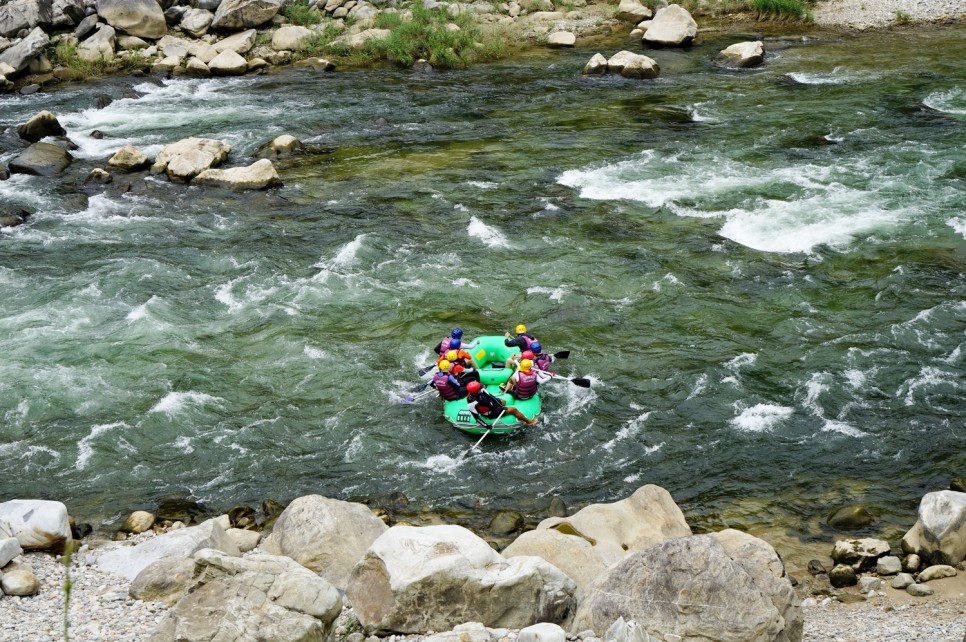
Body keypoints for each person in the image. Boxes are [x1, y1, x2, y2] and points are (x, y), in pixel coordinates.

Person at [465, 381, 537, 426]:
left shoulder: (481, 390)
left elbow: (492, 397)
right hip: (489, 412)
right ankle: (529, 422)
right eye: (479, 389)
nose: (481, 388)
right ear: (474, 392)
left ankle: (502, 410)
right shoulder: (471, 403)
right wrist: (486, 426)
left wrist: (500, 406)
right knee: (514, 410)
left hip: (492, 404)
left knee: (503, 401)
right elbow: (476, 418)